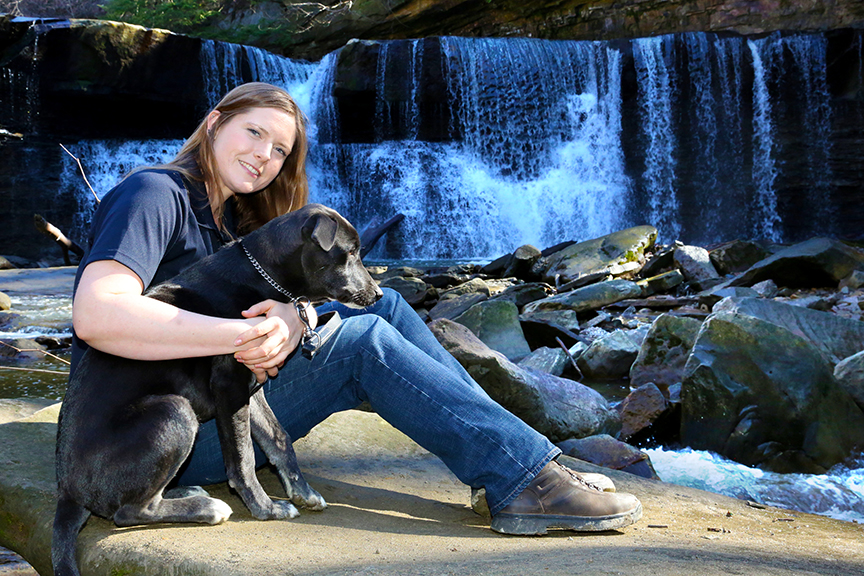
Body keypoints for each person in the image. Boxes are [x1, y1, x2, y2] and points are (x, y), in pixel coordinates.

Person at [70, 82, 642, 536]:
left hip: (213, 408)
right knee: (364, 342)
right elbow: (97, 316)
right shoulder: (154, 193)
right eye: (253, 133)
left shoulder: (227, 218)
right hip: (163, 446)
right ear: (215, 123)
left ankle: (515, 459)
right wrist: (242, 335)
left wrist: (296, 318)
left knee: (385, 305)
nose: (263, 156)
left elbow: (281, 305)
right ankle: (525, 483)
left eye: (280, 150)